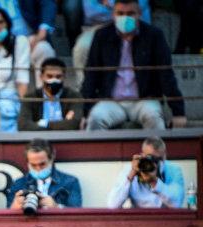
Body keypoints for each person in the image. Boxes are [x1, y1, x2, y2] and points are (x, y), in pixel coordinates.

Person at [81, 0, 186, 131]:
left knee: (153, 117)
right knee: (95, 119)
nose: (125, 17)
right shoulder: (102, 36)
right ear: (113, 14)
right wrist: (85, 112)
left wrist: (178, 112)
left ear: (139, 14)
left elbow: (165, 75)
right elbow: (91, 75)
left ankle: (157, 146)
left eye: (130, 13)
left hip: (144, 100)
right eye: (120, 13)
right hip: (111, 101)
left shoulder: (154, 35)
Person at [71, 0, 150, 88]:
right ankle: (84, 90)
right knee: (82, 48)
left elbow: (139, 6)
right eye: (118, 12)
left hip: (134, 26)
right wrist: (120, 13)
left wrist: (111, 4)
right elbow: (92, 13)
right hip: (98, 27)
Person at [0, 0, 57, 72]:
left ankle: (44, 87)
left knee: (44, 49)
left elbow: (48, 3)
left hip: (28, 38)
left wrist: (43, 30)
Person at [106, 136, 184, 209]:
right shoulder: (129, 170)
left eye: (159, 159)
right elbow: (112, 205)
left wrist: (154, 182)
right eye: (151, 158)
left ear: (165, 157)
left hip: (165, 217)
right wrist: (131, 176)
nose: (155, 164)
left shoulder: (173, 170)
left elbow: (176, 204)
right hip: (138, 218)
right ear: (142, 156)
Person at [8, 138, 82, 211]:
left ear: (51, 159)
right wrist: (14, 207)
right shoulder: (18, 184)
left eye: (42, 164)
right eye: (33, 165)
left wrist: (57, 207)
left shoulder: (70, 182)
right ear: (28, 163)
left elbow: (77, 214)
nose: (38, 169)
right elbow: (7, 215)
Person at [17, 58, 83, 131]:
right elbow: (23, 124)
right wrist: (63, 124)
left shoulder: (74, 96)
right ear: (41, 77)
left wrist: (43, 123)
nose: (54, 80)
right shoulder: (31, 97)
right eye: (49, 76)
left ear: (64, 77)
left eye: (58, 76)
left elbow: (73, 124)